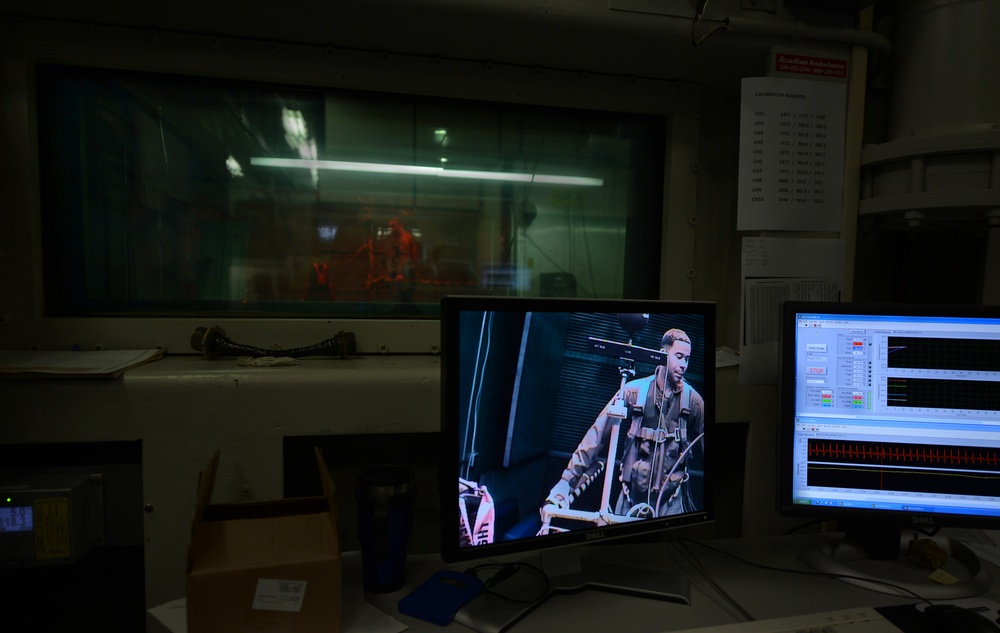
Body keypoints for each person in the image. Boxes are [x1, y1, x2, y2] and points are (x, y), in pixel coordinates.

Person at [544, 328, 706, 520]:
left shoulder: (694, 403)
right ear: (663, 354)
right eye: (679, 357)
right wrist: (566, 482)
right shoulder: (634, 391)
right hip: (629, 503)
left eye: (687, 359)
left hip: (671, 505)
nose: (683, 365)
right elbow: (595, 436)